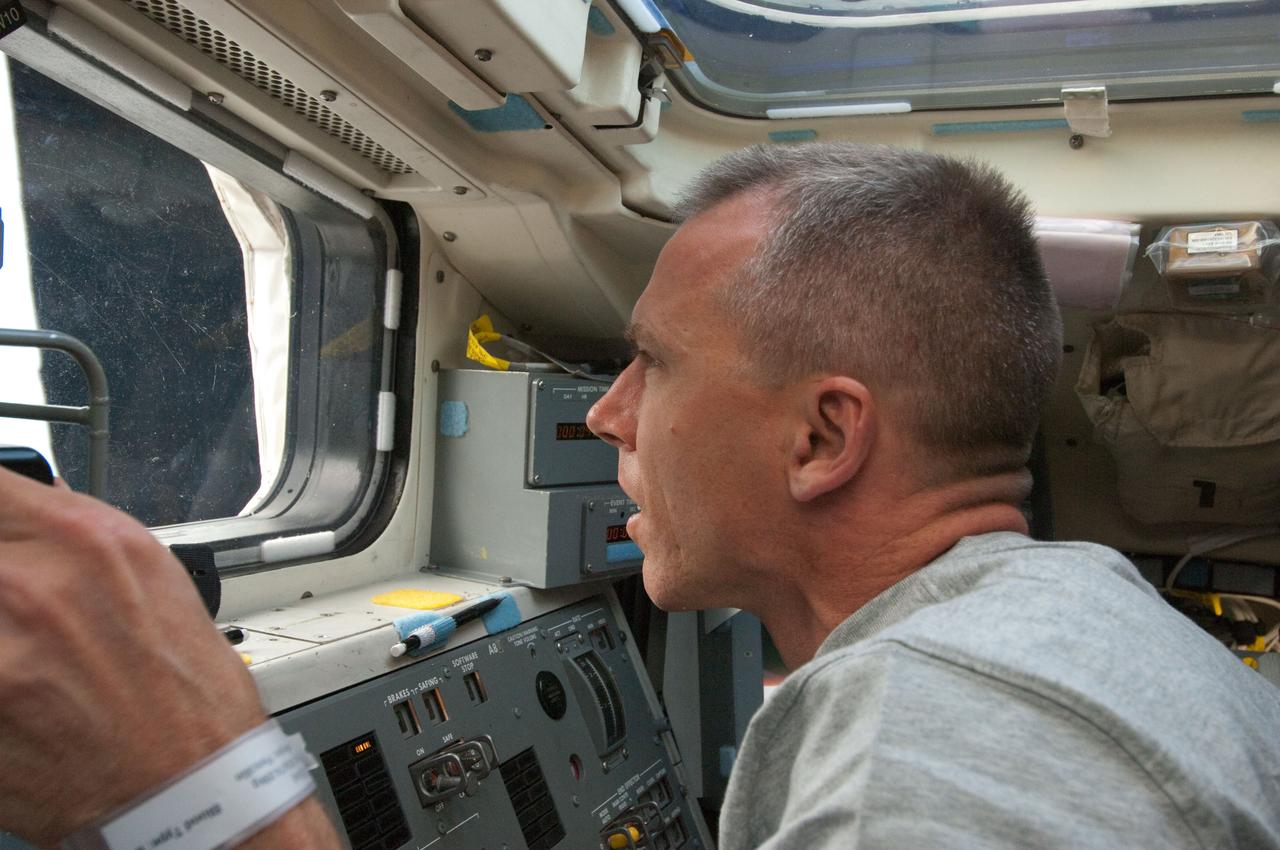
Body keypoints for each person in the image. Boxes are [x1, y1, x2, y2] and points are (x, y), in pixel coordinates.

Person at [0, 143, 1276, 850]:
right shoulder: (1077, 613)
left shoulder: (934, 746)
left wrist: (207, 801)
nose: (606, 412)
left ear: (820, 437)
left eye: (649, 363)